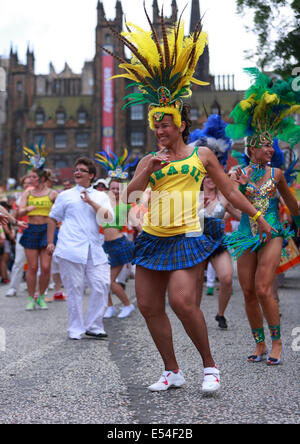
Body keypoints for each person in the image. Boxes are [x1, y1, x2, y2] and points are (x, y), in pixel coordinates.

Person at [106, 8, 274, 393]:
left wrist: (259, 217)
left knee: (183, 302)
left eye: (164, 123)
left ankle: (210, 366)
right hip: (151, 238)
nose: (158, 129)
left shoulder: (201, 155)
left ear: (180, 123)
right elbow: (127, 200)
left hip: (186, 236)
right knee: (149, 307)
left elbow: (230, 191)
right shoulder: (148, 160)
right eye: (154, 124)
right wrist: (144, 171)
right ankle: (172, 370)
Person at [224, 68, 300, 365]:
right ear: (251, 148)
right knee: (246, 292)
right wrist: (236, 182)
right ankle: (259, 344)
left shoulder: (277, 174)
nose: (271, 149)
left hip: (272, 234)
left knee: (262, 287)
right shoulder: (237, 173)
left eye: (272, 145)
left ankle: (278, 342)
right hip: (245, 235)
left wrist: (296, 222)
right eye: (265, 145)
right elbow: (232, 199)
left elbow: (293, 205)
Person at [47, 157, 114, 340]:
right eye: (76, 169)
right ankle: (75, 329)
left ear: (91, 175)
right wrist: (50, 242)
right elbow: (53, 218)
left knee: (102, 285)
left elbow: (108, 218)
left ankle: (94, 325)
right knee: (74, 288)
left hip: (94, 248)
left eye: (82, 170)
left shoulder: (101, 196)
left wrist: (91, 202)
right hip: (71, 247)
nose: (77, 172)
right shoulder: (65, 195)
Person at [197, 176, 241, 329]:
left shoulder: (224, 197)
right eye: (207, 176)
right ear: (202, 178)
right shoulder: (194, 196)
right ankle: (194, 316)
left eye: (212, 175)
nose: (210, 179)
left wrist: (261, 220)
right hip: (197, 243)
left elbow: (240, 216)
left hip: (217, 242)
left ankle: (220, 314)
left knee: (227, 279)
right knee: (196, 283)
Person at [19, 167, 58, 310]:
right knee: (33, 267)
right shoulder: (27, 192)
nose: (30, 180)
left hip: (47, 231)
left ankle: (41, 296)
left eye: (33, 177)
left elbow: (60, 211)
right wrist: (27, 209)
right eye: (30, 177)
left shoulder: (53, 194)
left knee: (46, 267)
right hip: (31, 229)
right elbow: (19, 211)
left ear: (42, 178)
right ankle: (30, 298)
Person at [102, 179, 136, 319]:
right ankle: (109, 307)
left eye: (118, 189)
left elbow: (137, 223)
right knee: (102, 280)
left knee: (109, 281)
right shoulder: (103, 202)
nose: (115, 191)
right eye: (113, 188)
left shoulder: (126, 205)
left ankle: (128, 305)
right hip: (105, 245)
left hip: (119, 244)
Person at [6, 175, 32, 297]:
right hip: (23, 231)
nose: (27, 186)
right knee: (18, 261)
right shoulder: (19, 199)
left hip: (38, 231)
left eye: (29, 183)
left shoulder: (40, 195)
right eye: (25, 184)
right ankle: (13, 287)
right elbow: (14, 216)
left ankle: (35, 287)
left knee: (35, 262)